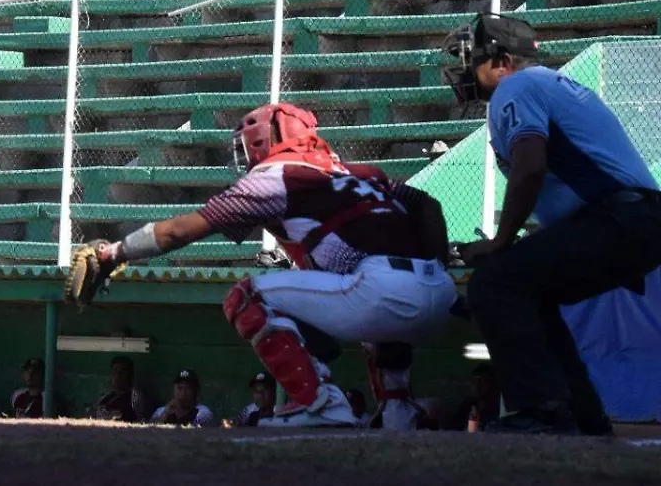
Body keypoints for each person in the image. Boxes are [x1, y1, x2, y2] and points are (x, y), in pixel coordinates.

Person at [70, 102, 458, 427]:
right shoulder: (358, 173)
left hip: (379, 292)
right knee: (372, 317)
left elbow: (179, 232)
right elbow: (428, 204)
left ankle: (319, 402)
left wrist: (114, 253)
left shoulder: (277, 175)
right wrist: (437, 266)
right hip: (435, 292)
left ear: (266, 141)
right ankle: (398, 411)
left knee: (246, 296)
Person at [444, 13, 661, 435]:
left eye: (473, 60)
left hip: (619, 218)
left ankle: (544, 411)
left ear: (503, 61)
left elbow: (530, 169)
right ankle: (582, 419)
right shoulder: (548, 83)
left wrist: (500, 242)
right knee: (530, 291)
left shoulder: (517, 87)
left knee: (495, 282)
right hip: (634, 217)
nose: (465, 70)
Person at [93, 356, 149, 422]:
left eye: (123, 371)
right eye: (115, 370)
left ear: (130, 374)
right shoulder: (105, 399)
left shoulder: (136, 398)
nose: (118, 375)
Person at [447, 364, 500, 432]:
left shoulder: (498, 410)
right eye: (475, 381)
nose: (477, 385)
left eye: (484, 382)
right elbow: (453, 430)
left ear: (494, 385)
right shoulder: (467, 406)